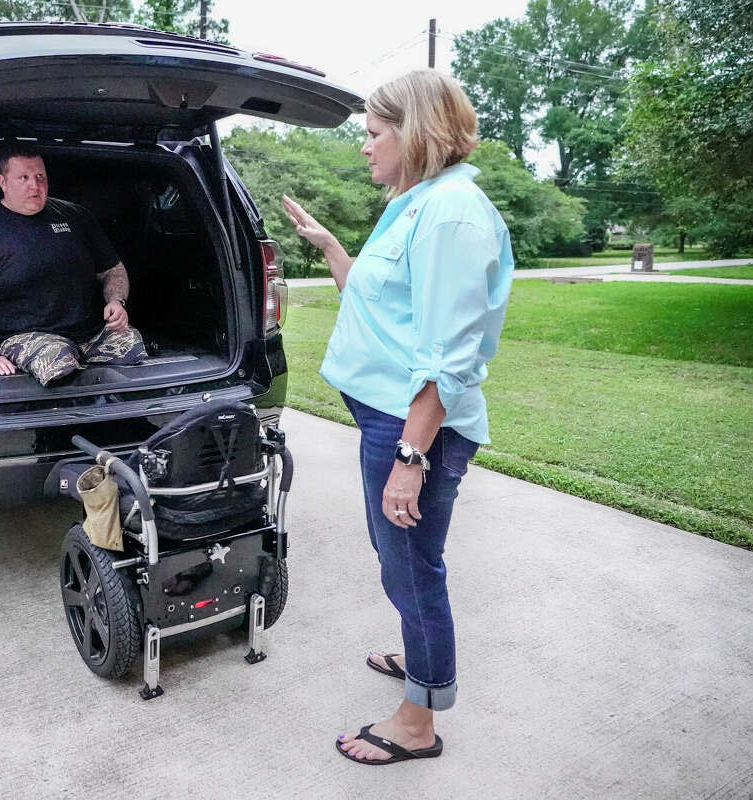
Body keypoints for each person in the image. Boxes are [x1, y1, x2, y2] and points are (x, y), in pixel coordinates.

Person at [282, 70, 514, 766]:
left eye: (374, 133)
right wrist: (328, 247)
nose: (365, 148)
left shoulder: (451, 214)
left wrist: (411, 459)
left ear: (413, 131)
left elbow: (449, 357)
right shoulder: (417, 203)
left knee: (412, 569)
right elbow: (375, 304)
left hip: (415, 429)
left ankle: (420, 718)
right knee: (396, 560)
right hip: (390, 421)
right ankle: (419, 657)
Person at [0, 143, 146, 386]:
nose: (35, 185)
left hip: (86, 332)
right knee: (58, 360)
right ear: (3, 182)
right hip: (23, 336)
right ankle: (72, 420)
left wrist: (116, 302)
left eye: (40, 176)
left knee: (132, 346)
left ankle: (121, 415)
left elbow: (112, 269)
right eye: (24, 177)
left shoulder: (76, 216)